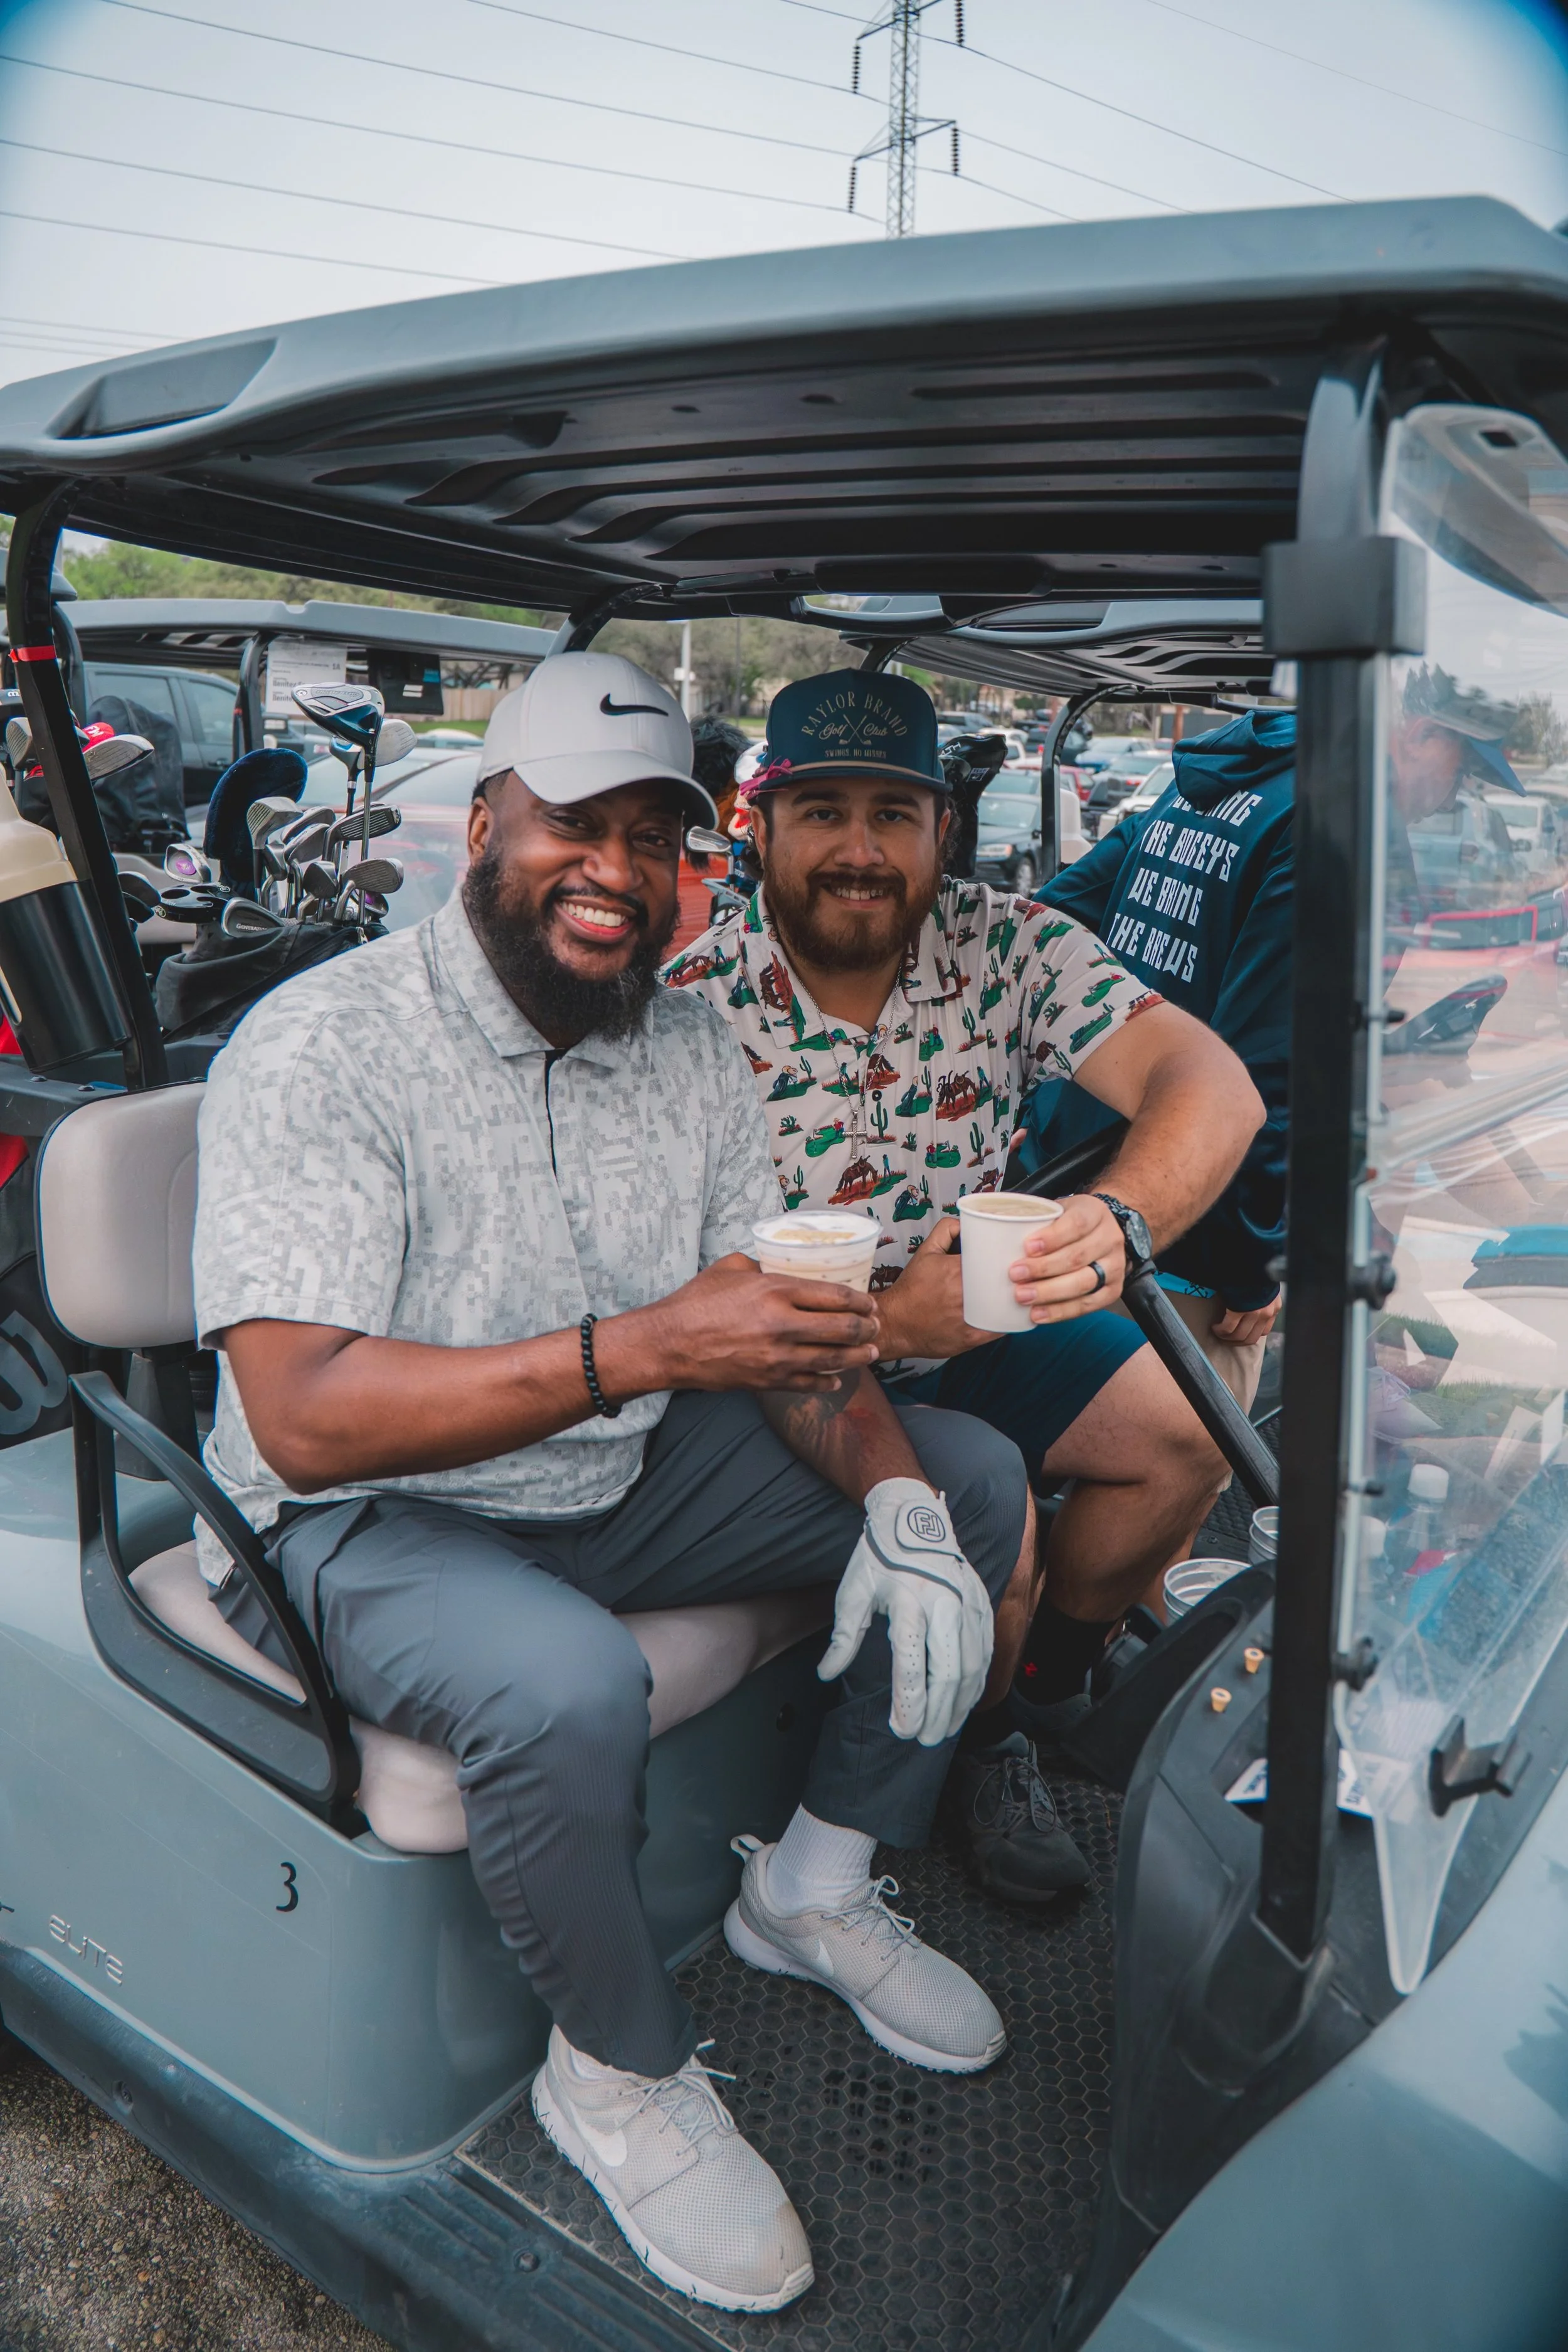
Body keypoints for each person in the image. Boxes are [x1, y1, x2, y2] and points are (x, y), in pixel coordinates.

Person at [191, 650, 1034, 2316]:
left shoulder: (687, 1047)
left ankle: (810, 1885)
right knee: (567, 1677)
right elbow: (299, 1418)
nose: (616, 869)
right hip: (356, 1519)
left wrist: (892, 1501)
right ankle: (614, 2069)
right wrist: (645, 1347)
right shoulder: (325, 1044)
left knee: (970, 1475)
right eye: (574, 821)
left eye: (655, 836)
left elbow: (781, 1334)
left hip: (611, 1474)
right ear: (479, 822)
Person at [663, 669, 1264, 1895]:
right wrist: (894, 1319)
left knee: (1187, 1428)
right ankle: (980, 1742)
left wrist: (1116, 1216)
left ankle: (1031, 1699)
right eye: (822, 810)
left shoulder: (1008, 944)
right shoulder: (686, 1014)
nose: (857, 848)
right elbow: (686, 1321)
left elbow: (1212, 1084)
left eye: (893, 814)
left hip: (973, 1334)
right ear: (759, 826)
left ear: (942, 828)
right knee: (1007, 1535)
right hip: (790, 1384)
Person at [1021, 708, 1296, 1416]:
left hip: (1067, 1169)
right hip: (1188, 1231)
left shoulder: (1193, 788)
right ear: (1420, 732)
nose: (1450, 798)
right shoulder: (1329, 817)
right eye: (1460, 769)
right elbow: (1261, 1072)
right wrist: (1254, 1270)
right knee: (1175, 1475)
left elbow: (1048, 917)